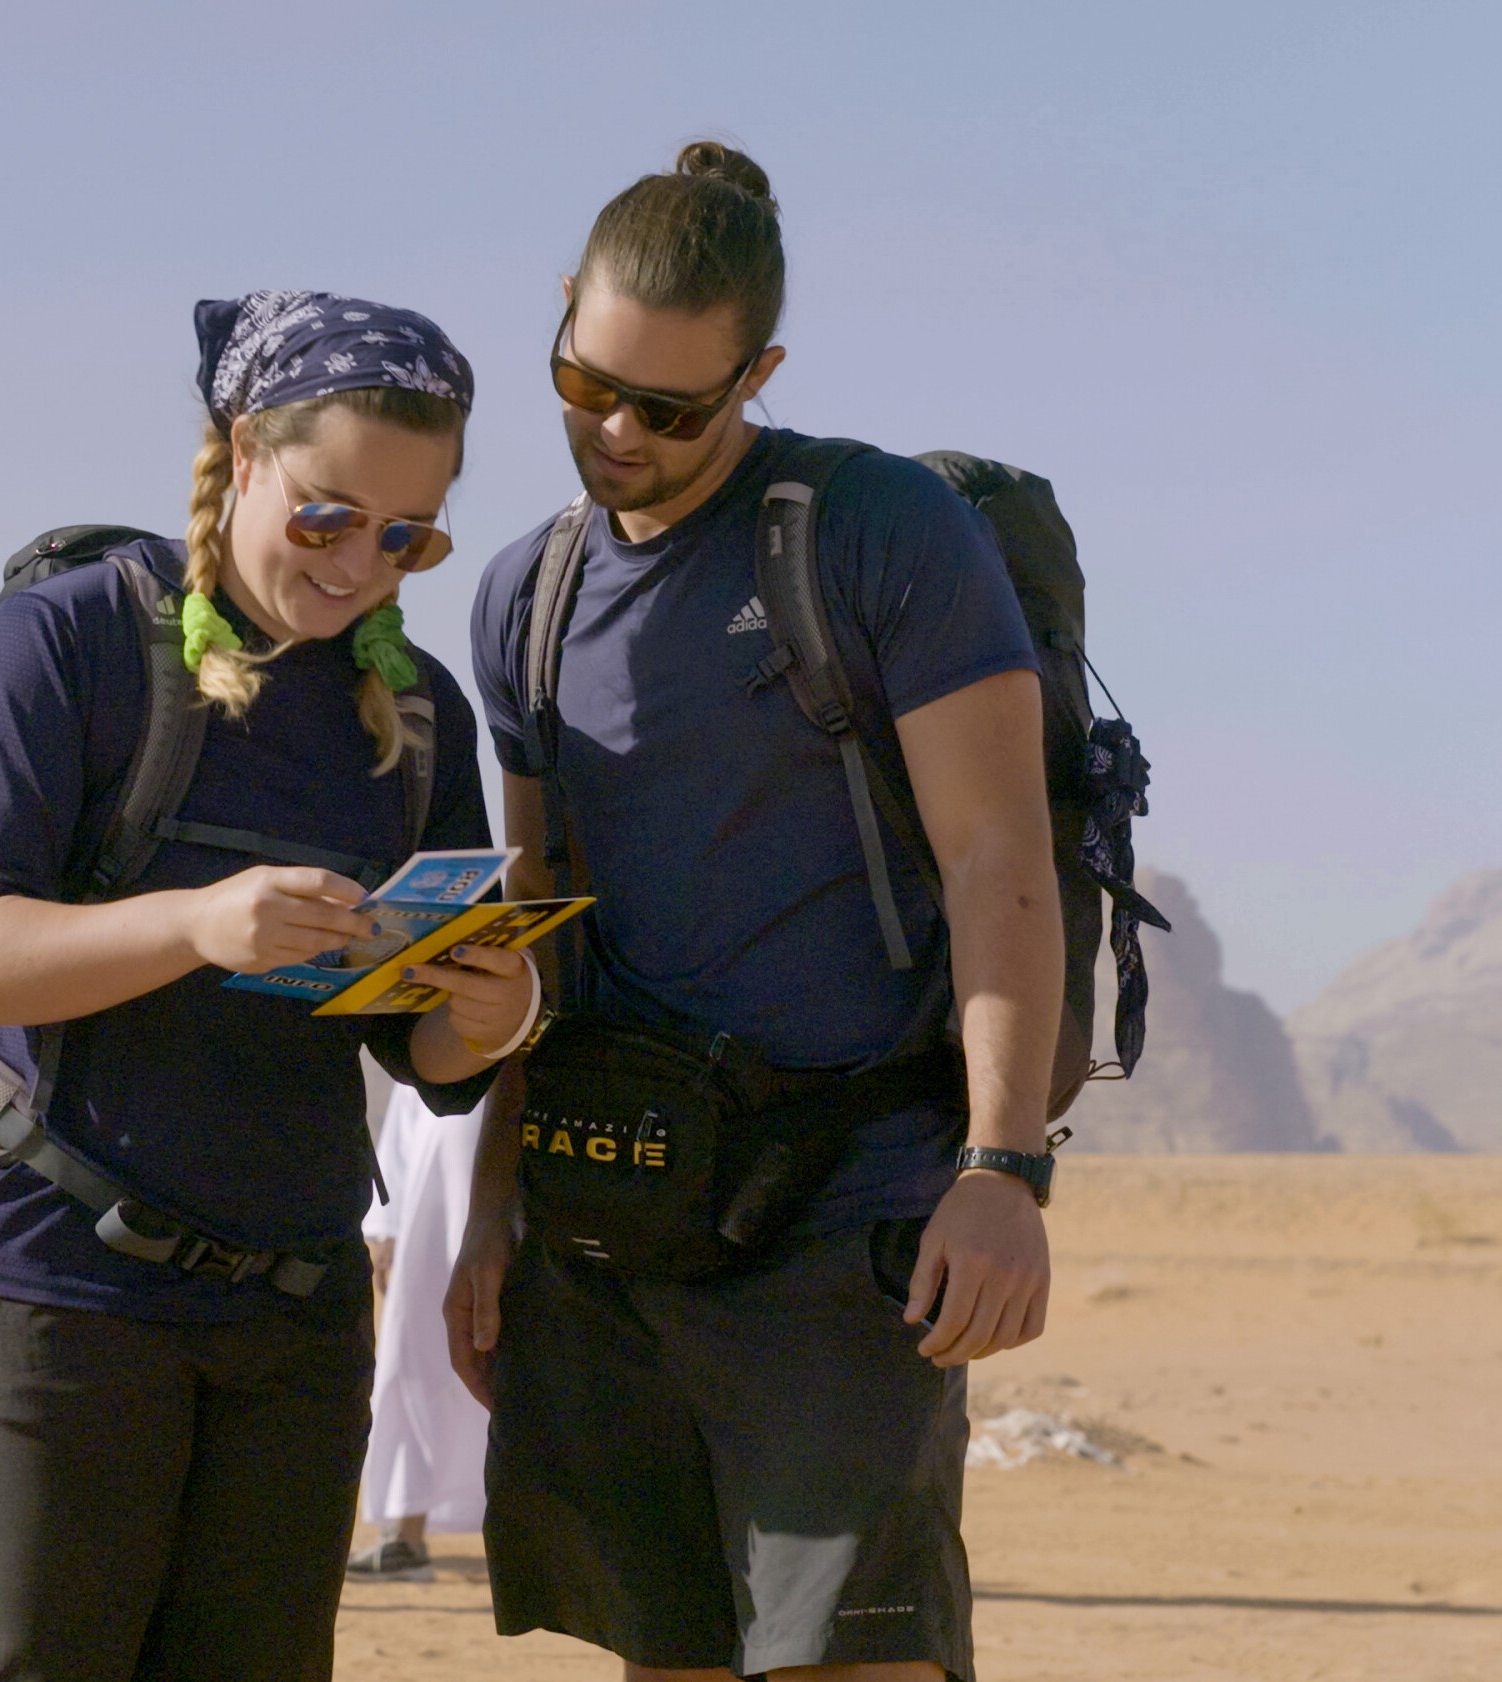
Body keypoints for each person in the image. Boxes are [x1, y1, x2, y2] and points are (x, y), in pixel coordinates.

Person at [450, 143, 1062, 1682]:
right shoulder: (524, 593)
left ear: (761, 373)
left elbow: (1001, 857)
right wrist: (490, 1215)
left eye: (670, 408)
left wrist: (1001, 1167)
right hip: (613, 1225)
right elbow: (542, 920)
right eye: (583, 383)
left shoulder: (877, 529)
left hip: (851, 1223)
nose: (615, 431)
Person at [0, 290, 538, 1682]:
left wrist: (480, 1019)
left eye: (406, 535)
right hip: (50, 1285)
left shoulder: (413, 709)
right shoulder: (61, 650)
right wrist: (191, 924)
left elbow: (424, 1051)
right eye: (326, 513)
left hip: (289, 1315)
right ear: (243, 452)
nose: (361, 562)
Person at [349, 1081, 490, 1585]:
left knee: (515, 1364)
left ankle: (545, 1548)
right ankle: (405, 1537)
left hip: (510, 1211)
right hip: (428, 1210)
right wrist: (383, 1224)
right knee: (412, 1360)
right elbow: (411, 1103)